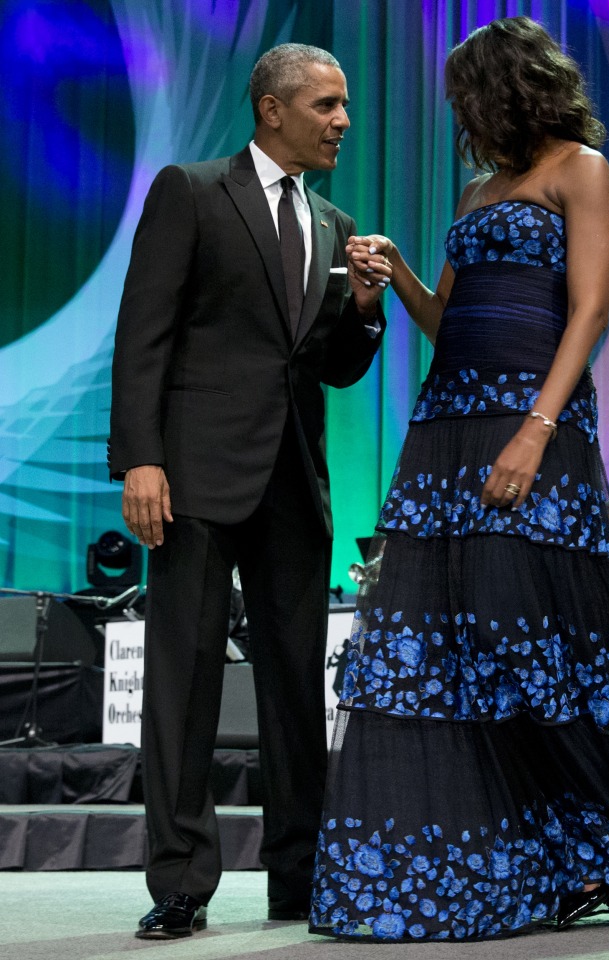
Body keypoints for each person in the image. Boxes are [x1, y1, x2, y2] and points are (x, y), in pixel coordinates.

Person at [309, 17, 609, 942]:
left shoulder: (580, 169)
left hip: (532, 427)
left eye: (470, 98)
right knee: (453, 651)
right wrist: (395, 278)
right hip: (448, 429)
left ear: (510, 89)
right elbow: (450, 321)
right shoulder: (478, 190)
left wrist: (536, 431)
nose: (462, 117)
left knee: (528, 642)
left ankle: (604, 852)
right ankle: (525, 861)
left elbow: (587, 310)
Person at [108, 43, 390, 939]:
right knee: (183, 684)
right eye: (327, 104)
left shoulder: (335, 221)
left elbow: (333, 371)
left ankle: (298, 882)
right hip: (191, 476)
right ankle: (180, 885)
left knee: (295, 692)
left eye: (345, 105)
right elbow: (142, 335)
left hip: (294, 484)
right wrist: (140, 460)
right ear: (273, 109)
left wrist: (365, 310)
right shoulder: (190, 191)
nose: (343, 119)